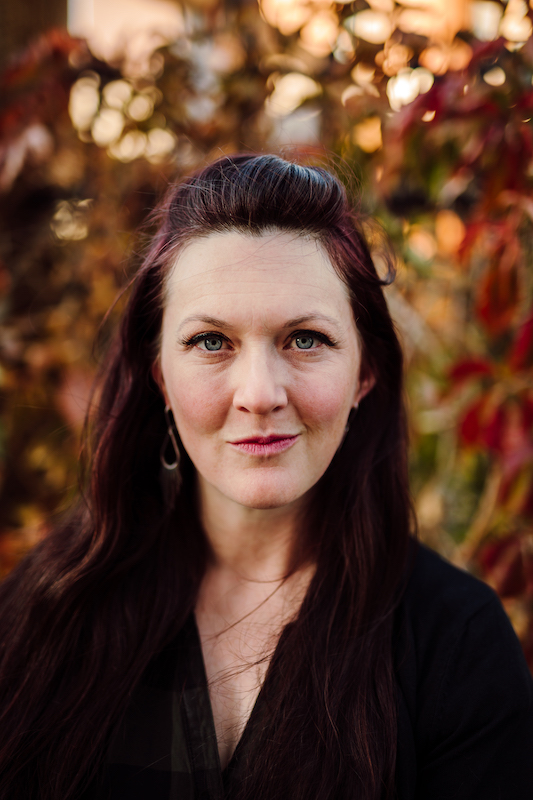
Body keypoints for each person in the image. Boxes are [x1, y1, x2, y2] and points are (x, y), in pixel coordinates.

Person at [0, 154, 531, 800]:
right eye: (210, 342)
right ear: (160, 374)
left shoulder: (456, 643)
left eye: (304, 339)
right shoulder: (48, 611)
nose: (258, 394)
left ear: (364, 371)